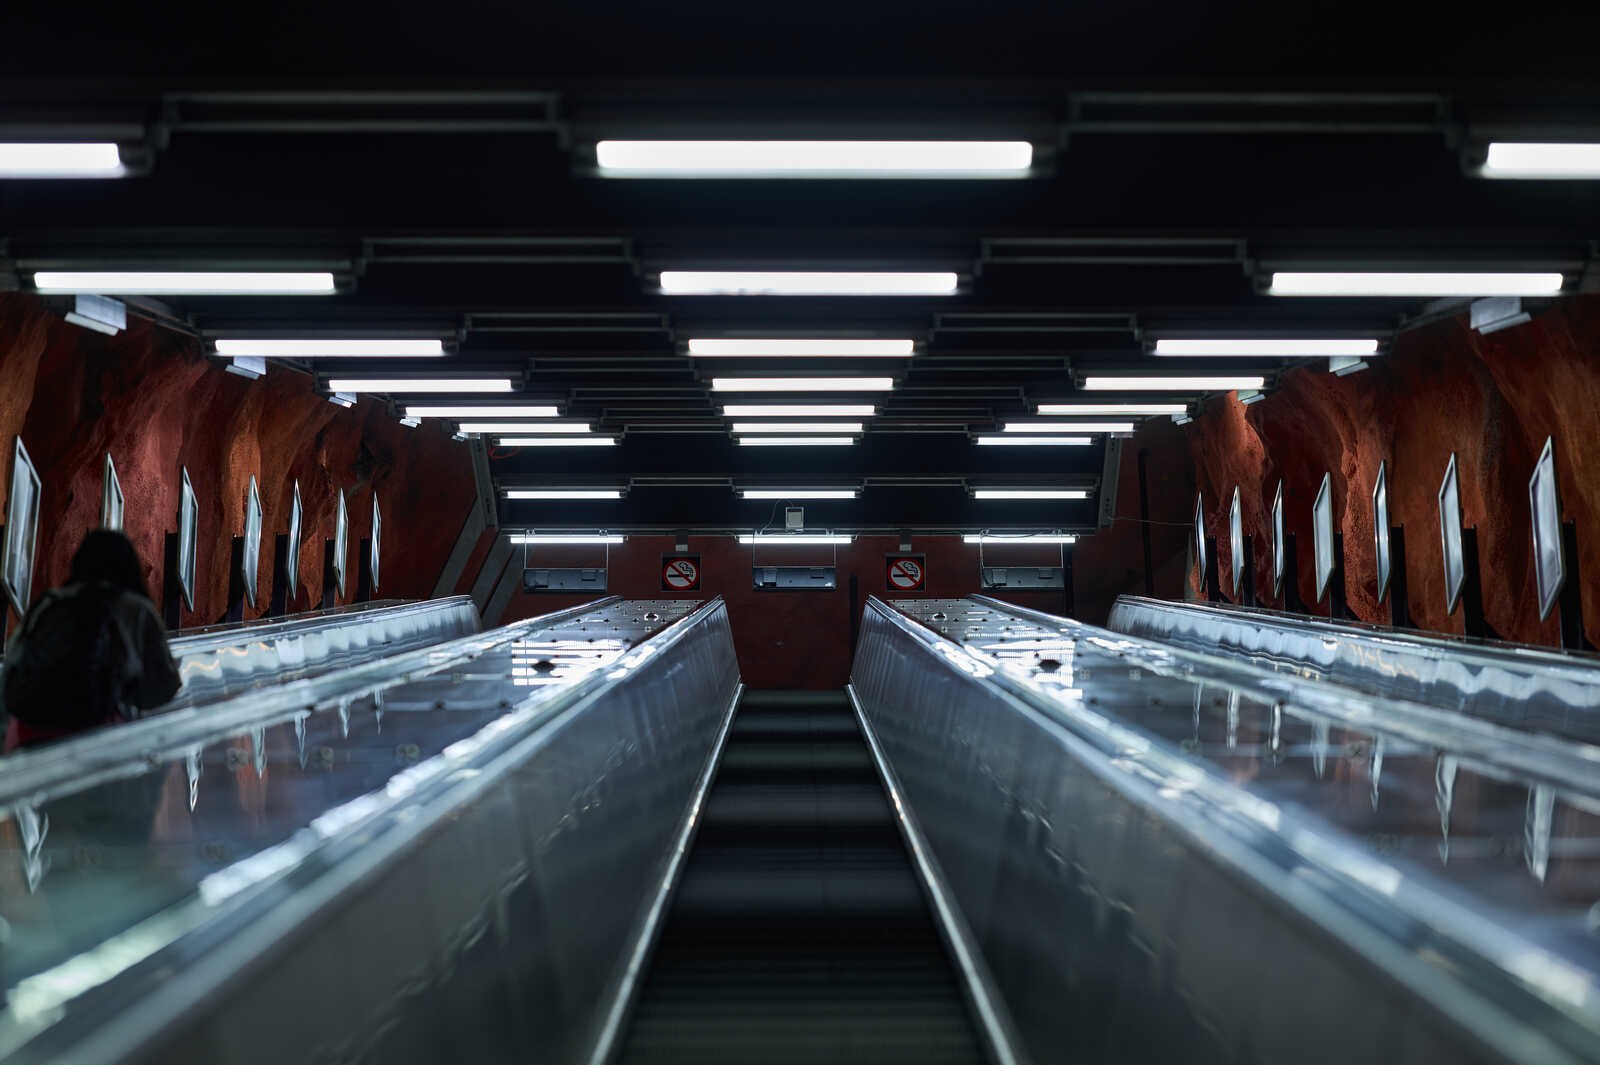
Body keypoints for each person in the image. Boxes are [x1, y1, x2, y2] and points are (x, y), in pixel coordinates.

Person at [2, 530, 183, 750]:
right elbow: (162, 688)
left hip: (30, 735)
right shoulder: (135, 610)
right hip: (99, 740)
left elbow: (12, 665)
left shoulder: (50, 602)